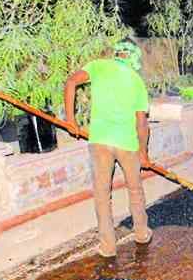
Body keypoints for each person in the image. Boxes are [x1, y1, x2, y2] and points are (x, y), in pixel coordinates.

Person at [64, 39, 153, 258]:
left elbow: (71, 82)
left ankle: (108, 247)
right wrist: (143, 153)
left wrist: (70, 121)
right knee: (135, 190)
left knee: (102, 194)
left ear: (117, 53)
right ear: (133, 57)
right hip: (126, 144)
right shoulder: (136, 81)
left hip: (100, 141)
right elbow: (142, 123)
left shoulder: (98, 66)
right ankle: (141, 233)